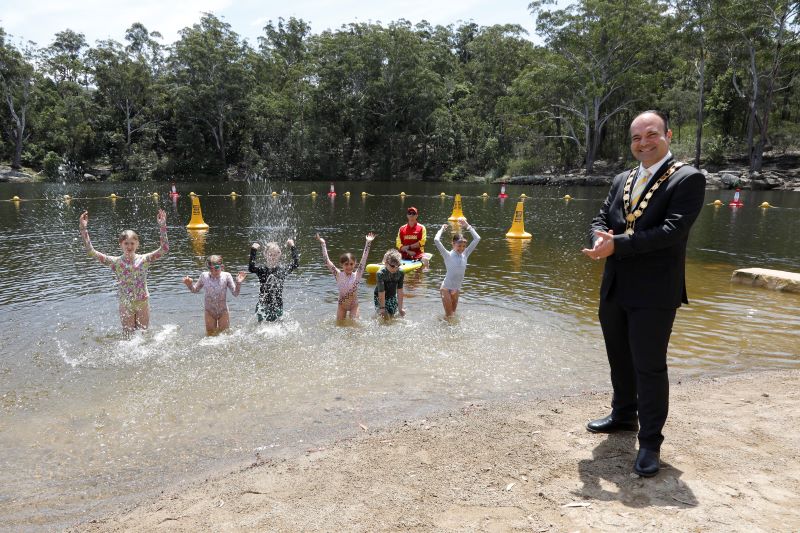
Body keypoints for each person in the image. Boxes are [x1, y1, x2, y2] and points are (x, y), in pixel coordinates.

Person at [582, 110, 706, 477]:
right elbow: (599, 219)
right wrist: (599, 240)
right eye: (636, 138)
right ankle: (624, 415)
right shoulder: (623, 178)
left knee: (649, 367)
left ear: (667, 134)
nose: (644, 142)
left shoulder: (688, 178)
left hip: (655, 291)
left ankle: (650, 442)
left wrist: (616, 245)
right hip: (615, 285)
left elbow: (671, 232)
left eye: (651, 134)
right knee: (619, 357)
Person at [79, 209, 169, 335]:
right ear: (120, 244)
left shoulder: (145, 259)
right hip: (125, 303)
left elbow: (164, 248)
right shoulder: (115, 262)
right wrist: (84, 229)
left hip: (142, 301)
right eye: (126, 243)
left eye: (132, 243)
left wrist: (162, 226)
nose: (129, 246)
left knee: (143, 336)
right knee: (128, 338)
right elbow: (91, 252)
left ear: (137, 244)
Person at [315, 232, 374, 320]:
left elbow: (364, 258)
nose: (349, 267)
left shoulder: (358, 274)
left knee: (354, 325)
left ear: (355, 264)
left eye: (351, 264)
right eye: (346, 264)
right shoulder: (338, 274)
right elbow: (327, 261)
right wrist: (323, 244)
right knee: (339, 325)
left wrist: (368, 242)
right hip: (342, 305)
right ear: (341, 265)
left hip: (354, 305)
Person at [183, 255, 246, 335]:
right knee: (210, 336)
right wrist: (189, 284)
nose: (213, 272)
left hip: (223, 311)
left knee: (225, 335)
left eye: (216, 268)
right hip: (209, 311)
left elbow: (235, 293)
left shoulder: (227, 276)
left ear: (222, 267)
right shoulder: (204, 276)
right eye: (210, 269)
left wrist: (238, 283)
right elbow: (195, 290)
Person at [434, 217, 481, 317]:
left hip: (456, 288)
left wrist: (467, 225)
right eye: (459, 245)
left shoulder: (466, 253)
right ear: (453, 244)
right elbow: (436, 240)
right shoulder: (447, 254)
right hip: (446, 288)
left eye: (463, 246)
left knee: (453, 315)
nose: (462, 248)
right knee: (450, 316)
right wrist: (441, 229)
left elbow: (477, 238)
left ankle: (446, 328)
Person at [249, 239, 299, 322]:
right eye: (270, 254)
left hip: (278, 306)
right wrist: (253, 250)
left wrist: (292, 246)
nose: (272, 257)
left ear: (280, 254)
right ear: (265, 254)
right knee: (262, 328)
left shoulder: (282, 270)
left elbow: (296, 264)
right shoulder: (262, 270)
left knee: (278, 326)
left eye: (275, 255)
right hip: (263, 305)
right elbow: (251, 268)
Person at [374, 249, 406, 319]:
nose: (395, 268)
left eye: (398, 266)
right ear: (386, 263)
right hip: (380, 295)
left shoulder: (400, 272)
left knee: (393, 314)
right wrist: (382, 308)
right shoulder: (380, 274)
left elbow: (400, 290)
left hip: (392, 295)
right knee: (384, 315)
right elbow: (381, 292)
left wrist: (401, 308)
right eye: (392, 266)